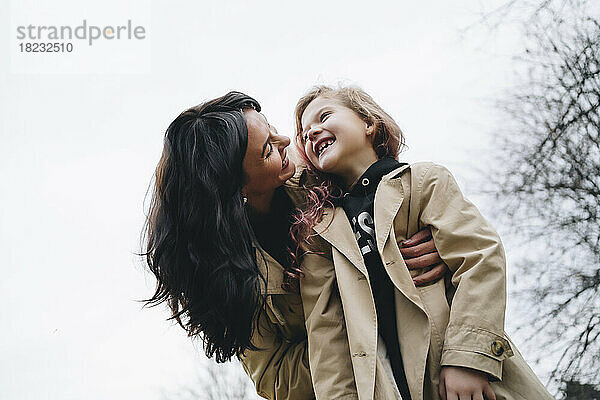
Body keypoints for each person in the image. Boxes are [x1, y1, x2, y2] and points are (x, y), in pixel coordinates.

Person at [142, 91, 447, 399]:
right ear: (236, 190)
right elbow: (274, 377)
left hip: (427, 361)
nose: (286, 141)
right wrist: (354, 336)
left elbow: (404, 195)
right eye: (267, 151)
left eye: (271, 128)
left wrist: (436, 242)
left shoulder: (323, 173)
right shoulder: (223, 280)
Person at [292, 85, 554, 400]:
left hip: (460, 378)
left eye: (324, 115)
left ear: (368, 123)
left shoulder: (423, 182)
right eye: (304, 134)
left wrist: (467, 359)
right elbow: (326, 336)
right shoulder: (321, 235)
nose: (312, 133)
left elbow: (479, 257)